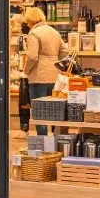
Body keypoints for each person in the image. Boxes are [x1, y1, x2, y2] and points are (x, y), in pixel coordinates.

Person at [24, 7, 69, 136]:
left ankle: (43, 141)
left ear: (31, 21)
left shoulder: (34, 33)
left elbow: (32, 57)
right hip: (55, 76)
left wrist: (27, 71)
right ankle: (56, 138)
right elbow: (65, 52)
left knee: (40, 111)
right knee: (55, 110)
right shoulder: (54, 32)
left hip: (39, 77)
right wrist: (55, 61)